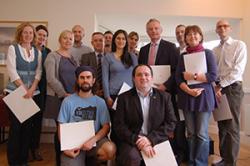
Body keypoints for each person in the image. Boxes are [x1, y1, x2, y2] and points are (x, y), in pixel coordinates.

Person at [113, 64, 177, 166]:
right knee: (131, 157)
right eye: (139, 75)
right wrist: (138, 140)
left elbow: (171, 123)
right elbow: (119, 126)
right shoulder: (123, 98)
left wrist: (150, 139)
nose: (143, 77)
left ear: (152, 78)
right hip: (132, 140)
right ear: (134, 79)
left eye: (146, 74)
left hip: (157, 139)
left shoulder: (165, 97)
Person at [175, 25, 217, 166]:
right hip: (187, 97)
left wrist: (193, 76)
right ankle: (192, 161)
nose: (192, 36)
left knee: (202, 134)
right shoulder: (183, 56)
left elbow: (213, 76)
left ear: (200, 36)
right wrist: (189, 91)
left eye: (195, 34)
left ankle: (200, 163)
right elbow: (178, 78)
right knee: (191, 133)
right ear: (185, 38)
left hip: (204, 98)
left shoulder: (208, 53)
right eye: (189, 34)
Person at [58, 66, 116, 166]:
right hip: (73, 144)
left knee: (110, 150)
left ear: (93, 80)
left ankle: (92, 160)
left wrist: (92, 140)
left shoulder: (100, 102)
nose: (85, 80)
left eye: (88, 77)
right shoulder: (68, 101)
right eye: (82, 77)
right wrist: (65, 148)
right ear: (77, 80)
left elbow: (106, 127)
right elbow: (61, 126)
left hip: (94, 141)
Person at [5, 22, 42, 166]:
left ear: (33, 35)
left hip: (32, 93)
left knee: (28, 128)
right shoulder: (13, 48)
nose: (28, 35)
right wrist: (24, 89)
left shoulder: (37, 52)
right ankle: (13, 161)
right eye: (25, 32)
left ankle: (23, 160)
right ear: (20, 34)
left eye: (30, 33)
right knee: (16, 128)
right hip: (15, 93)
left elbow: (39, 72)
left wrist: (32, 89)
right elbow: (12, 71)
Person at [212, 19, 247, 166]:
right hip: (218, 89)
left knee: (232, 127)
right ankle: (224, 159)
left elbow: (237, 70)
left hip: (232, 88)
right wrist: (215, 86)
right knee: (222, 126)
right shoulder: (214, 50)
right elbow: (213, 72)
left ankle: (231, 163)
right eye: (219, 26)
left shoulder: (239, 45)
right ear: (216, 30)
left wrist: (220, 86)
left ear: (230, 28)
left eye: (225, 26)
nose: (222, 28)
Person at [44, 30, 78, 166]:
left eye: (71, 39)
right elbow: (51, 79)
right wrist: (64, 94)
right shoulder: (52, 56)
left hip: (72, 98)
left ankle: (68, 161)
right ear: (59, 39)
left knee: (70, 131)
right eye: (65, 38)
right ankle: (59, 161)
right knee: (60, 131)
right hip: (59, 98)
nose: (68, 41)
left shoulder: (72, 57)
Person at [102, 29, 138, 144]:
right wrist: (107, 97)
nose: (121, 41)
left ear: (126, 41)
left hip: (129, 95)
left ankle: (124, 152)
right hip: (113, 95)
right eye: (118, 38)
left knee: (127, 125)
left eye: (123, 38)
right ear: (114, 40)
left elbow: (136, 76)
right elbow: (104, 78)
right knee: (115, 124)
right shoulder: (108, 57)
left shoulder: (132, 57)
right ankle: (114, 153)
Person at [27, 24, 51, 162]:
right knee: (26, 121)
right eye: (39, 34)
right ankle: (25, 149)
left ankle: (35, 149)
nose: (42, 37)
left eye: (44, 35)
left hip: (41, 92)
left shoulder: (48, 52)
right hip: (26, 90)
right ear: (35, 35)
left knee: (37, 122)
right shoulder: (26, 49)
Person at [80, 32, 105, 97]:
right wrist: (94, 90)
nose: (98, 42)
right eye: (95, 40)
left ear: (104, 42)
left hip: (107, 93)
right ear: (92, 43)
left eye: (100, 40)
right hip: (90, 92)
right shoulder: (85, 57)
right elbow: (84, 75)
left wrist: (105, 90)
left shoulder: (110, 57)